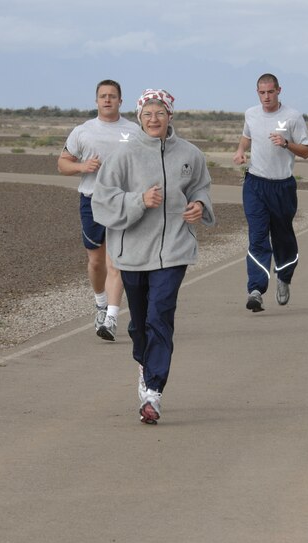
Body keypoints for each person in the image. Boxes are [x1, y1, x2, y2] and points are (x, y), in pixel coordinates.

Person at [92, 89, 214, 424]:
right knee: (140, 323)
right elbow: (102, 202)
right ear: (140, 117)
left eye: (160, 113)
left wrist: (199, 205)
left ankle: (154, 393)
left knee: (160, 314)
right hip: (133, 252)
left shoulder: (190, 153)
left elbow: (201, 185)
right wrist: (139, 201)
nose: (153, 119)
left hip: (174, 249)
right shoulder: (123, 155)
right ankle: (146, 365)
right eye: (147, 114)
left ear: (170, 115)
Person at [57, 79, 139, 341]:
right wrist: (83, 167)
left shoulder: (135, 131)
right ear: (96, 101)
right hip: (92, 200)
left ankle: (112, 318)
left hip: (122, 201)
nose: (107, 100)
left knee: (116, 262)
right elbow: (62, 164)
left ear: (120, 101)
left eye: (112, 96)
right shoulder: (83, 132)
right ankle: (101, 303)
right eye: (103, 96)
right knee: (96, 261)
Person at [233, 73, 308, 312]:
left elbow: (306, 151)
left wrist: (287, 143)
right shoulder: (251, 114)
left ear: (279, 91)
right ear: (257, 93)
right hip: (255, 184)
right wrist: (240, 151)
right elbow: (246, 137)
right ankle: (256, 290)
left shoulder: (293, 117)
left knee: (283, 238)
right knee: (257, 236)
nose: (266, 96)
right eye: (262, 92)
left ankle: (284, 277)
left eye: (270, 92)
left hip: (283, 187)